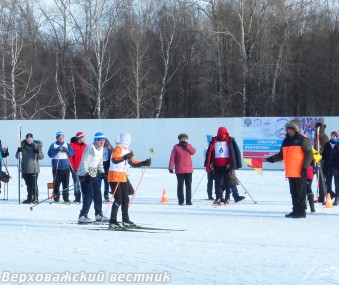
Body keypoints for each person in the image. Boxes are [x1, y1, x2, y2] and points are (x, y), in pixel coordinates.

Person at [265, 120, 313, 218]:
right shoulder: (286, 140)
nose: (290, 131)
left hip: (300, 171)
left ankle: (301, 212)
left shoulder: (303, 139)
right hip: (291, 171)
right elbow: (281, 155)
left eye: (292, 129)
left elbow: (309, 154)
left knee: (301, 193)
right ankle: (295, 210)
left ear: (296, 130)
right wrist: (272, 159)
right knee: (293, 193)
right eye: (288, 129)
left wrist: (305, 167)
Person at [107, 132, 151, 228]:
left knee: (125, 199)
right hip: (114, 175)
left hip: (122, 176)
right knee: (118, 199)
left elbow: (133, 162)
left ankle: (125, 219)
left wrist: (144, 162)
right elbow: (114, 159)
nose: (128, 141)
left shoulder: (128, 150)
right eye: (127, 139)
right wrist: (124, 157)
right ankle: (112, 220)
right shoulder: (118, 148)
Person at [205, 127, 242, 205]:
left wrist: (235, 163)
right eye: (221, 133)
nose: (222, 135)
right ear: (218, 134)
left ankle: (227, 197)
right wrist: (209, 163)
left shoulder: (230, 141)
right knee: (217, 183)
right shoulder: (214, 141)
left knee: (227, 182)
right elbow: (209, 152)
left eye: (224, 133)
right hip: (216, 165)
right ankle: (218, 197)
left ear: (226, 134)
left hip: (227, 165)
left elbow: (236, 152)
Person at [78, 132, 109, 223]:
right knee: (89, 194)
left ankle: (98, 214)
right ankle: (83, 215)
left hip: (93, 173)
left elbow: (100, 162)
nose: (102, 141)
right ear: (95, 140)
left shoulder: (101, 148)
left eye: (103, 140)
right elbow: (85, 161)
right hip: (85, 174)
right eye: (99, 140)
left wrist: (102, 172)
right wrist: (86, 173)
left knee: (97, 194)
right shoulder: (91, 148)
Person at [15, 133, 44, 204]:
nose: (29, 139)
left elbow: (41, 156)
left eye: (30, 138)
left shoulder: (36, 146)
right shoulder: (22, 146)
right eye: (28, 138)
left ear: (32, 139)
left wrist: (37, 152)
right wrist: (19, 151)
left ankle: (35, 197)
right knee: (28, 184)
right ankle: (29, 197)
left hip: (34, 169)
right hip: (25, 169)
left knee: (33, 184)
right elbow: (17, 157)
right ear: (26, 139)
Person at [169, 133, 196, 206]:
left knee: (188, 186)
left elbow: (193, 152)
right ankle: (181, 201)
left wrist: (187, 146)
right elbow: (172, 158)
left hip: (189, 170)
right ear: (179, 140)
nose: (183, 140)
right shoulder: (176, 147)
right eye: (182, 139)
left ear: (187, 139)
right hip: (180, 170)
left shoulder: (189, 146)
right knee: (180, 186)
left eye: (185, 139)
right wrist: (171, 167)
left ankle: (188, 201)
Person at [47, 132, 74, 203]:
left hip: (65, 167)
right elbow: (50, 154)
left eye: (62, 136)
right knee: (56, 183)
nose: (60, 138)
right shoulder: (53, 145)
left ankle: (66, 197)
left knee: (66, 183)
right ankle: (56, 197)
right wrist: (56, 150)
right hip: (56, 167)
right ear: (56, 138)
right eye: (59, 136)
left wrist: (67, 151)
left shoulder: (67, 144)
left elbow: (72, 153)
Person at [314, 122, 330, 203]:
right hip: (318, 160)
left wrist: (320, 153)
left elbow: (326, 150)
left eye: (318, 127)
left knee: (323, 180)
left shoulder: (324, 137)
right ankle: (321, 197)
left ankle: (325, 196)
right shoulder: (316, 137)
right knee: (320, 180)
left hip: (324, 162)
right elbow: (315, 148)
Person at [69, 131, 87, 204]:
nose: (84, 139)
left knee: (85, 183)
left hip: (84, 168)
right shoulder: (72, 145)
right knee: (76, 183)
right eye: (83, 137)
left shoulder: (85, 146)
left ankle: (85, 197)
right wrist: (72, 166)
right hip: (75, 168)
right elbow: (70, 157)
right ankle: (77, 197)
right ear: (79, 138)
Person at [322, 130, 338, 202]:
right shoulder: (327, 144)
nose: (332, 137)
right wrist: (319, 156)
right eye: (332, 136)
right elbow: (324, 155)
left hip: (336, 168)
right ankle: (329, 196)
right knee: (328, 184)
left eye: (334, 136)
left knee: (337, 184)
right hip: (328, 167)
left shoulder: (338, 145)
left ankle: (337, 198)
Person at [329, 135, 339, 206]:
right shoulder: (335, 146)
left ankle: (337, 198)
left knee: (337, 184)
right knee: (336, 184)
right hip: (334, 167)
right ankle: (335, 197)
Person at [204, 135, 214, 200]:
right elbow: (205, 157)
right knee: (210, 181)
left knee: (211, 181)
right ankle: (210, 195)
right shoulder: (206, 148)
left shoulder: (208, 147)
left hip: (213, 166)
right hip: (210, 167)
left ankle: (212, 194)